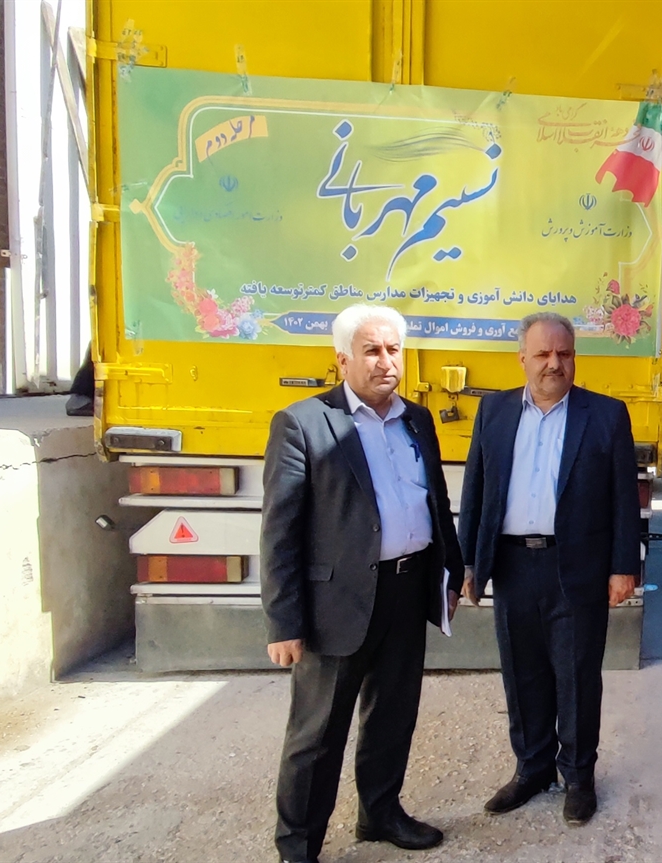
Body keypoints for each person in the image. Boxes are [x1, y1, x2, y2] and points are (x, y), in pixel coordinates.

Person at [260, 304, 464, 863]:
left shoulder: (417, 419)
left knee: (393, 717)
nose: (385, 361)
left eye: (394, 349)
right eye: (371, 350)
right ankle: (298, 846)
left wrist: (450, 572)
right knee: (317, 735)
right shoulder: (303, 423)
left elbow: (436, 502)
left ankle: (380, 813)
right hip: (337, 603)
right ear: (342, 359)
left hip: (407, 591)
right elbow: (280, 531)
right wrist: (284, 622)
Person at [458, 311, 640, 825]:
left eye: (564, 353)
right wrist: (469, 560)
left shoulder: (605, 415)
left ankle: (578, 777)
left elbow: (624, 499)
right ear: (522, 358)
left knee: (577, 675)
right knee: (523, 673)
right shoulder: (494, 411)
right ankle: (532, 769)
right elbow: (476, 490)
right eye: (542, 354)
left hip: (577, 567)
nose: (553, 364)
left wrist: (623, 566)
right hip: (512, 564)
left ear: (574, 358)